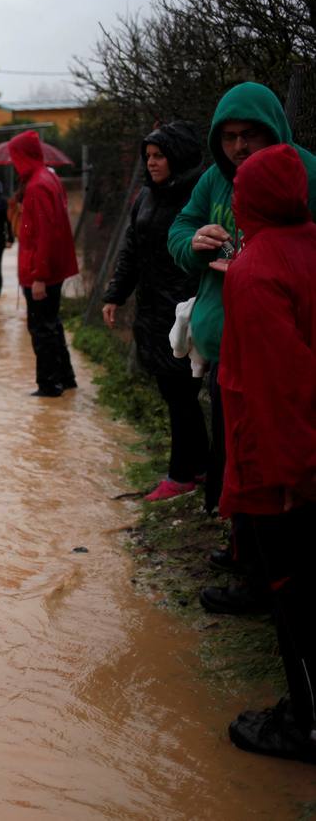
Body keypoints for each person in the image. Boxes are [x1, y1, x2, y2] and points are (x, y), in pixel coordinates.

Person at [166, 81, 316, 613]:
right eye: (228, 136)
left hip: (275, 360)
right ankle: (245, 555)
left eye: (248, 134)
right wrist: (194, 243)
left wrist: (258, 260)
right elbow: (179, 230)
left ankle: (267, 582)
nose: (238, 147)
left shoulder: (303, 172)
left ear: (271, 129)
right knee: (236, 465)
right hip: (227, 354)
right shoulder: (213, 179)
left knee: (270, 471)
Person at [216, 143, 316, 765]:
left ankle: (304, 723)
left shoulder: (256, 273)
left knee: (294, 592)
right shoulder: (309, 247)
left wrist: (291, 478)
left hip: (282, 464)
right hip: (301, 448)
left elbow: (281, 385)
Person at [102, 122, 208, 501]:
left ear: (177, 156)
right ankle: (199, 466)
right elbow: (131, 250)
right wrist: (115, 294)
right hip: (153, 310)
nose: (152, 163)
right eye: (148, 157)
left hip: (187, 310)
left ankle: (181, 475)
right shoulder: (146, 197)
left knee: (182, 392)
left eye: (159, 156)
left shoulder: (198, 195)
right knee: (174, 392)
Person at [11, 130, 79, 396]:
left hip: (40, 271)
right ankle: (66, 378)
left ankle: (49, 386)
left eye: (15, 157)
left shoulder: (38, 185)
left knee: (41, 329)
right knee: (52, 324)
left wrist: (39, 275)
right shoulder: (48, 177)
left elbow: (45, 234)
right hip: (50, 269)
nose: (14, 163)